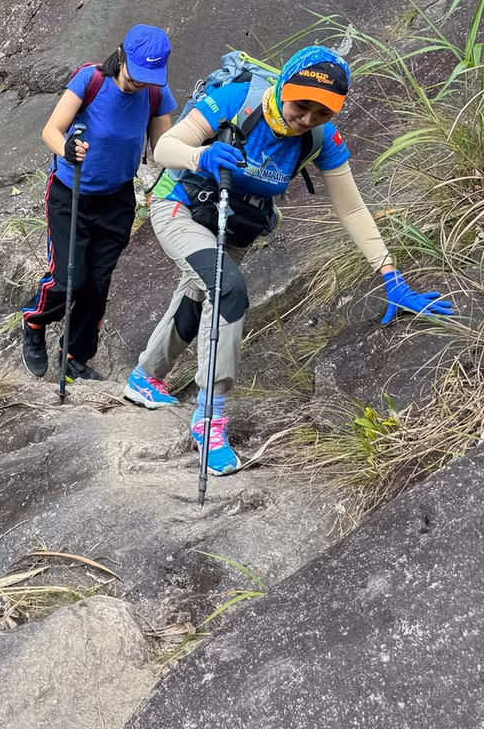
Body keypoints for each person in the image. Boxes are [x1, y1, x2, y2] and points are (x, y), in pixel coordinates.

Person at [125, 45, 456, 476]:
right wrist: (200, 156)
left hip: (237, 223)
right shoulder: (236, 99)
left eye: (321, 113)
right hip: (181, 205)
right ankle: (210, 417)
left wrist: (390, 275)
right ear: (284, 85)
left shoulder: (321, 138)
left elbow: (352, 210)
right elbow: (168, 145)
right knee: (226, 288)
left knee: (200, 289)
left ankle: (145, 376)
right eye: (301, 106)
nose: (307, 120)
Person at [21, 25, 176, 384]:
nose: (142, 83)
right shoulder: (89, 80)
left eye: (150, 77)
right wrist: (68, 151)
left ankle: (74, 355)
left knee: (97, 285)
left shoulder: (156, 94)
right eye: (138, 74)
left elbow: (163, 148)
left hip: (117, 199)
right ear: (122, 55)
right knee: (68, 279)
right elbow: (51, 130)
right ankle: (33, 319)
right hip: (70, 191)